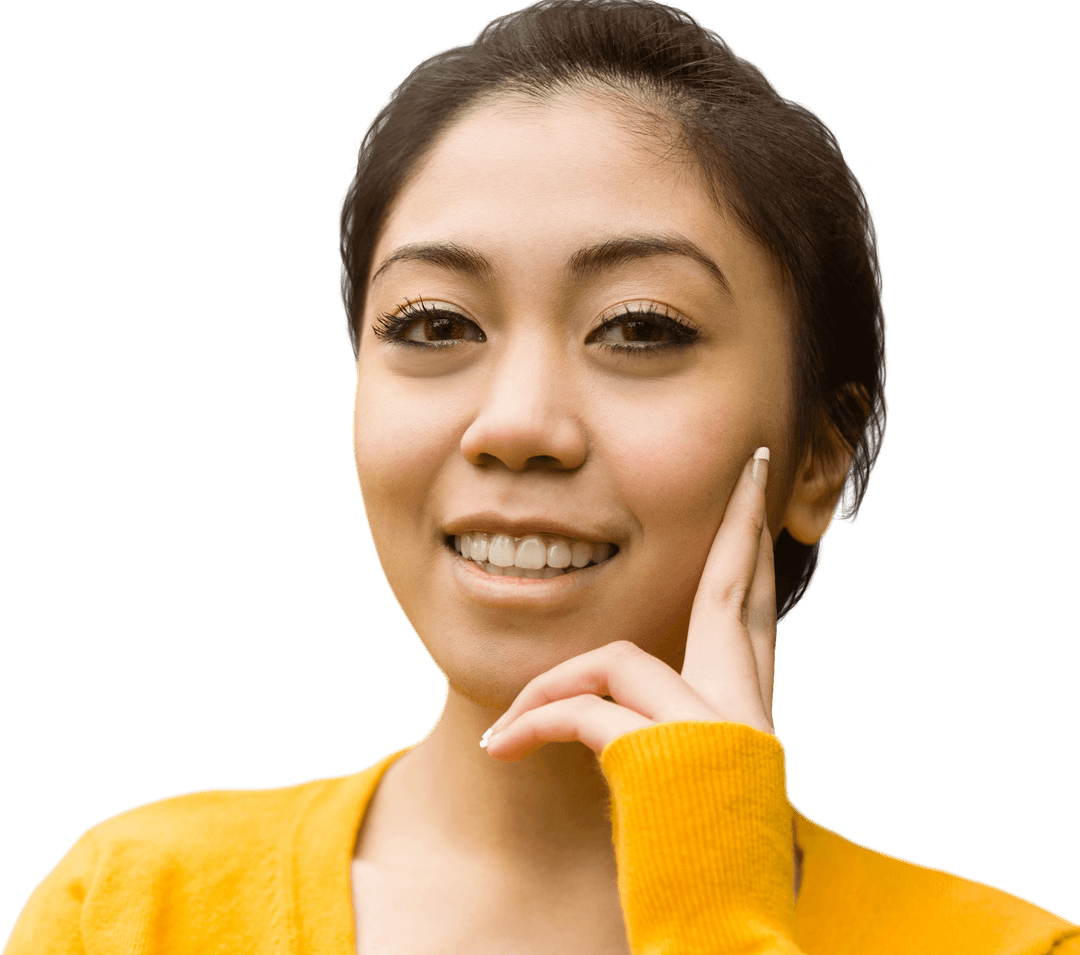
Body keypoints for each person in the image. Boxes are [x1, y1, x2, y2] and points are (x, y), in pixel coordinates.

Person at [4, 1, 1077, 953]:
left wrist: (715, 912)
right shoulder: (132, 912)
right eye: (435, 324)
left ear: (818, 457)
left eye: (640, 328)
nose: (516, 425)